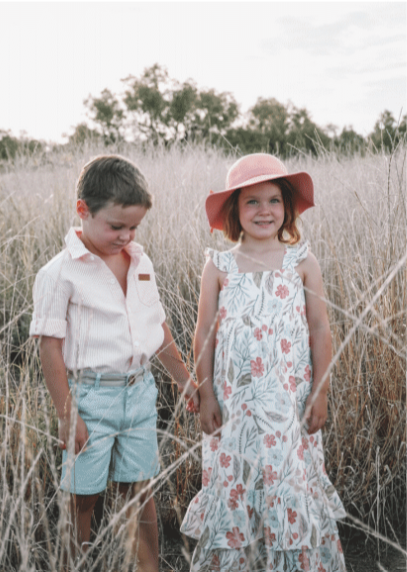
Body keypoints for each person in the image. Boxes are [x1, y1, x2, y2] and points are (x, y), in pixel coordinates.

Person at [30, 154, 199, 572]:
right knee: (82, 497)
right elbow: (49, 347)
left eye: (134, 227)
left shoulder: (141, 264)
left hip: (140, 393)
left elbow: (157, 329)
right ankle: (73, 564)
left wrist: (185, 380)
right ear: (82, 211)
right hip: (90, 399)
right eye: (116, 226)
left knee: (139, 492)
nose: (126, 236)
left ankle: (148, 568)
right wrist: (68, 414)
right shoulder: (59, 273)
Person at [181, 154, 347, 571]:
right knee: (236, 480)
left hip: (289, 407)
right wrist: (205, 395)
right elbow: (204, 334)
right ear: (235, 209)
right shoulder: (218, 266)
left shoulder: (302, 263)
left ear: (287, 208)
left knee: (291, 480)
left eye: (274, 200)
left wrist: (321, 392)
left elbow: (320, 330)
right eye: (252, 202)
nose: (264, 211)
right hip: (234, 407)